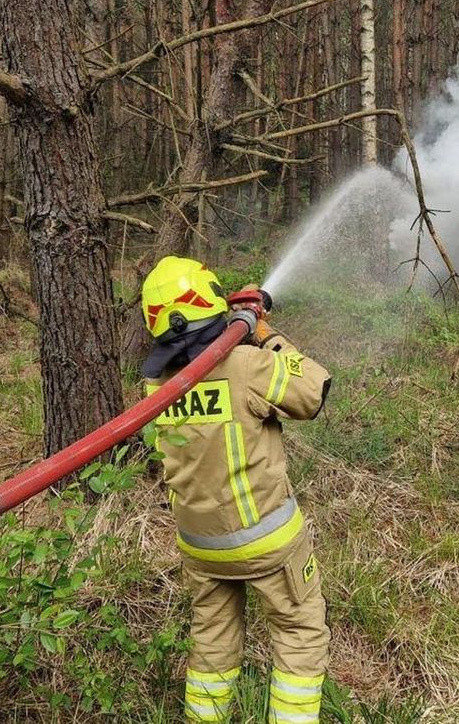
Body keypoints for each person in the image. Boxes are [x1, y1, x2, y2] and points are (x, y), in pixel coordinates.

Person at [140, 256, 332, 724]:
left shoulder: (156, 385)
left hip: (200, 547)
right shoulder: (247, 365)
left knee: (212, 639)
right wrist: (264, 332)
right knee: (299, 629)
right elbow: (313, 391)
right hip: (266, 541)